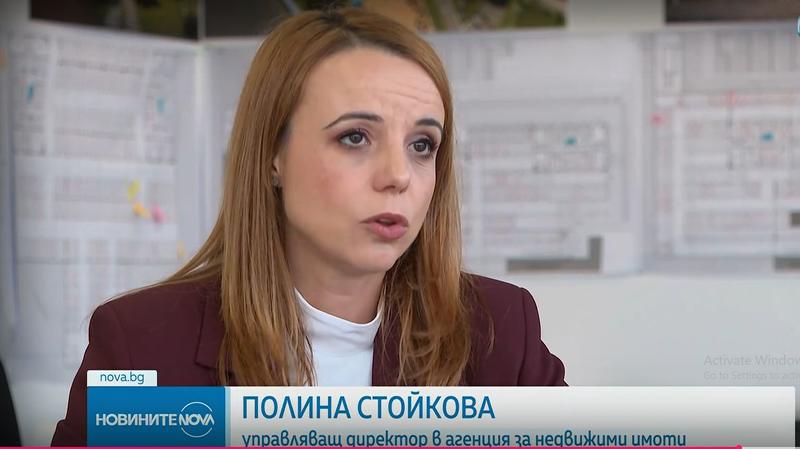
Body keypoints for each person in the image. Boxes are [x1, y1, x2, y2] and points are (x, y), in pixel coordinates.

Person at [51, 8, 566, 446]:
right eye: (355, 137)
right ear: (273, 156)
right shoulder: (140, 344)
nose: (398, 176)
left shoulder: (500, 330)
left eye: (422, 145)